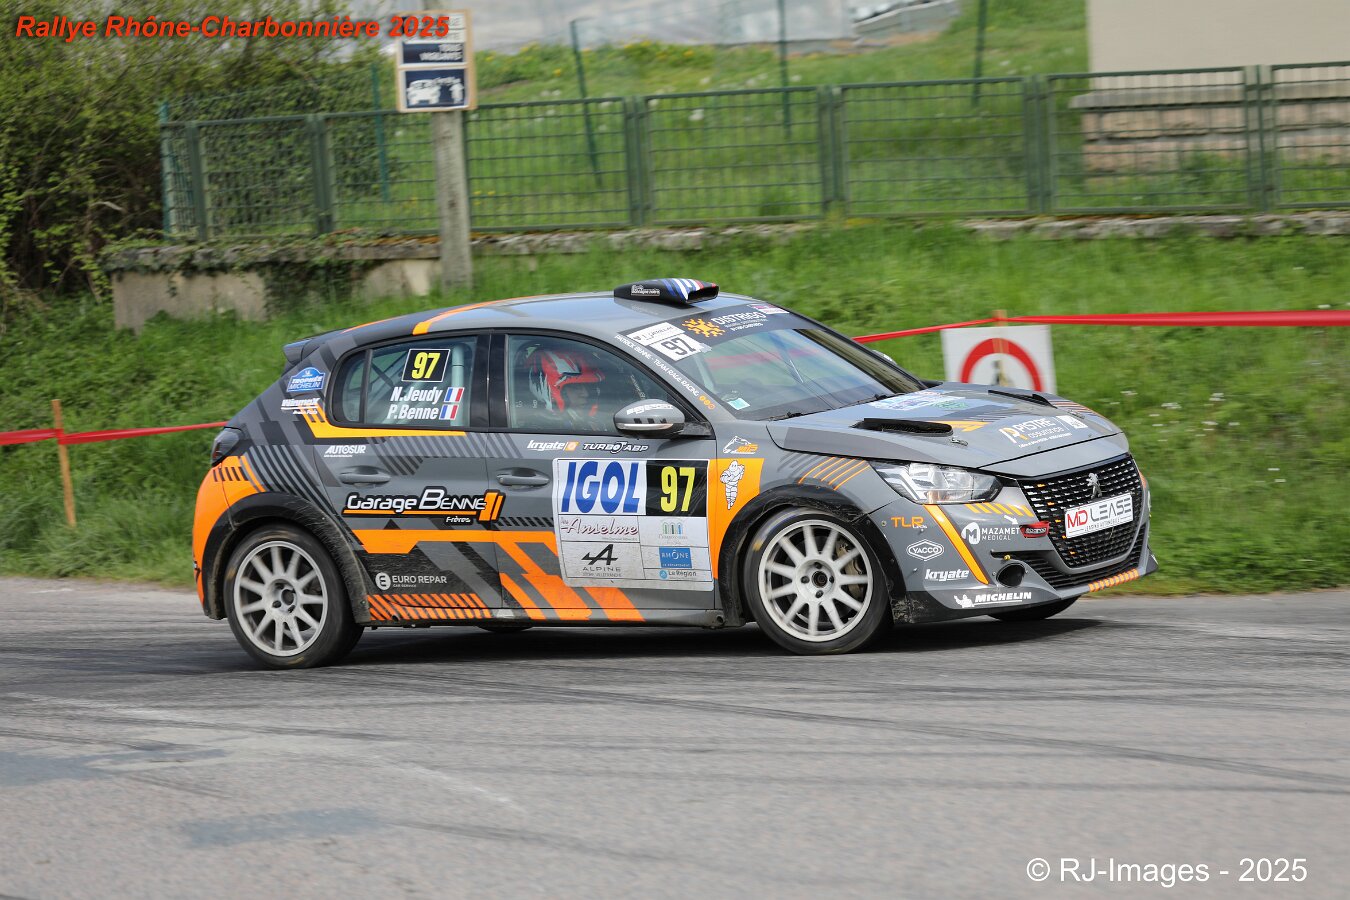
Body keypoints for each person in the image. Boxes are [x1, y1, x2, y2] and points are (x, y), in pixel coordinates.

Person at [526, 347, 609, 430]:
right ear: (547, 389)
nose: (585, 394)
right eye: (575, 387)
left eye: (588, 386)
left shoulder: (594, 425)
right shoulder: (537, 432)